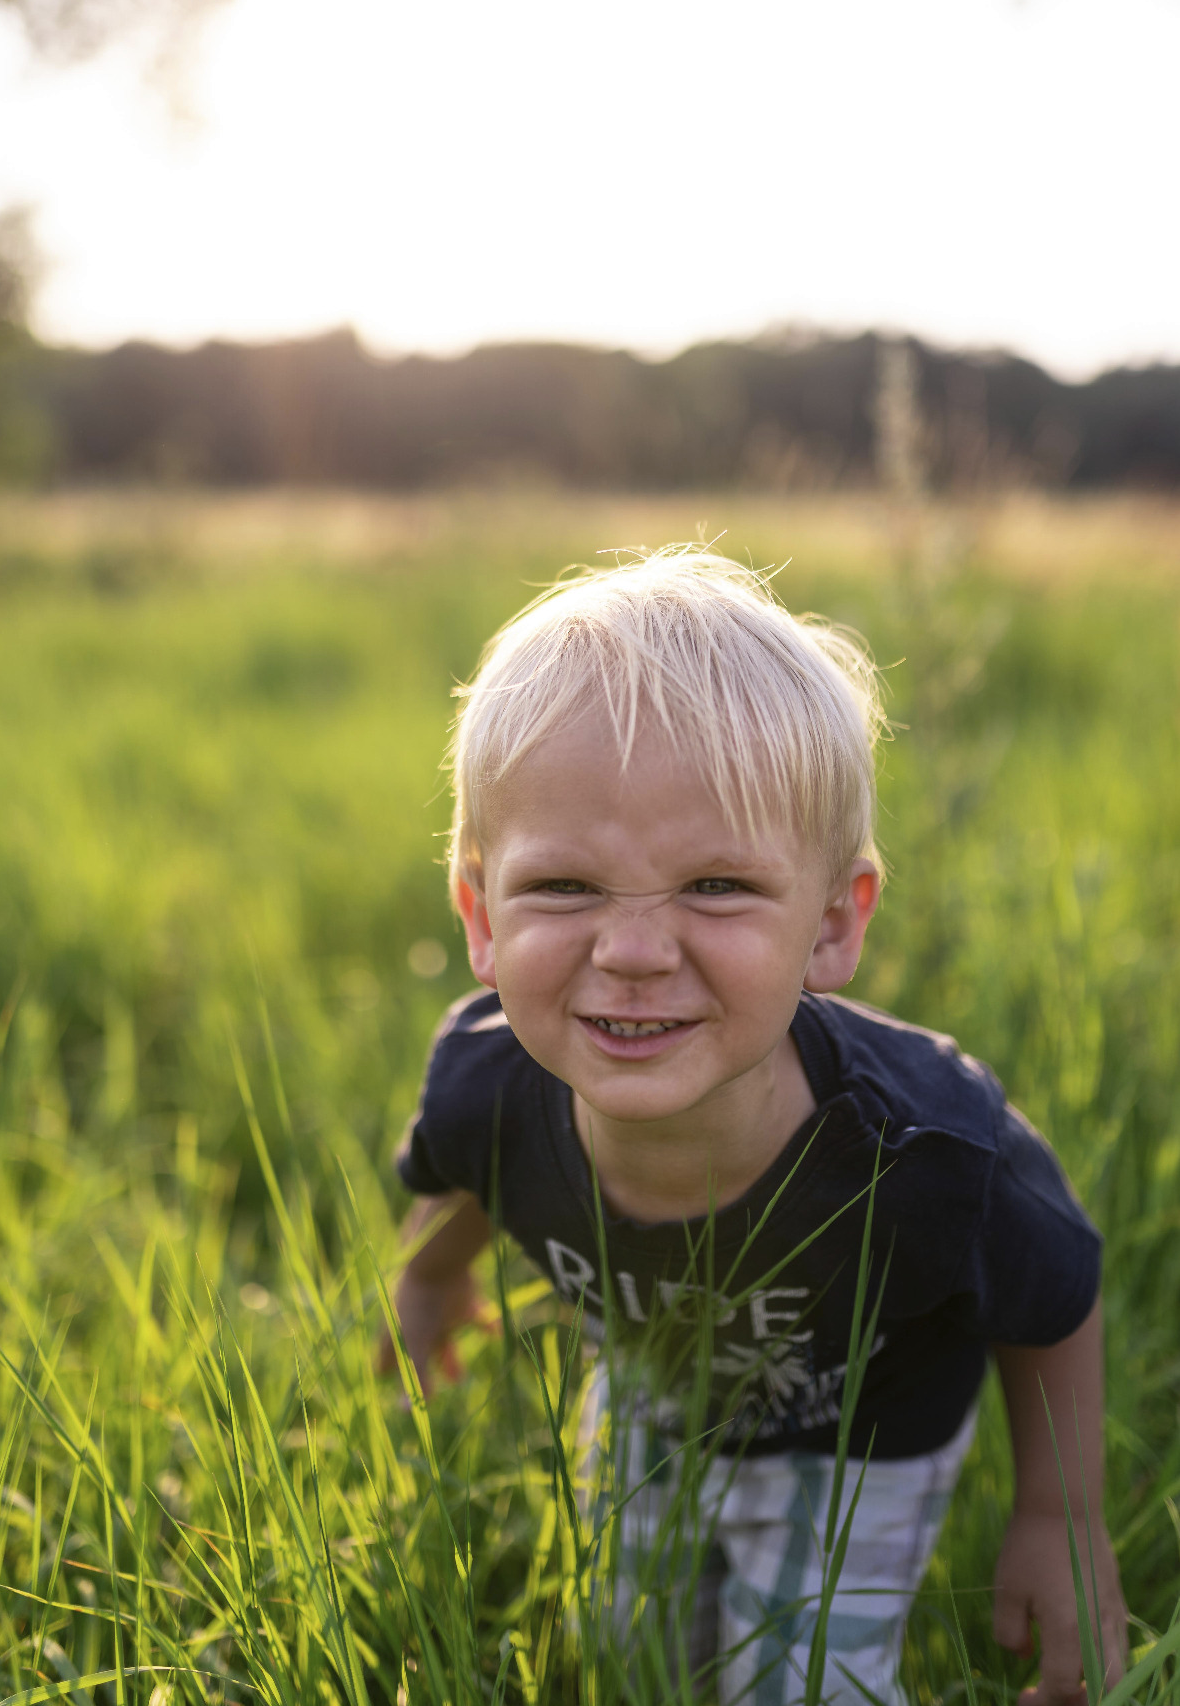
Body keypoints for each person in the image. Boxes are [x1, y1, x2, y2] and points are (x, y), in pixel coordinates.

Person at [387, 548, 1125, 1704]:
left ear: (833, 922)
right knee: (633, 1661)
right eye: (565, 887)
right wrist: (431, 1284)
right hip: (649, 1404)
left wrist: (1060, 1516)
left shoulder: (927, 1155)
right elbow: (477, 1173)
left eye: (717, 885)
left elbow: (1054, 1295)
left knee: (807, 1684)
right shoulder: (486, 1083)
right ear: (478, 913)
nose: (632, 951)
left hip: (859, 1446)